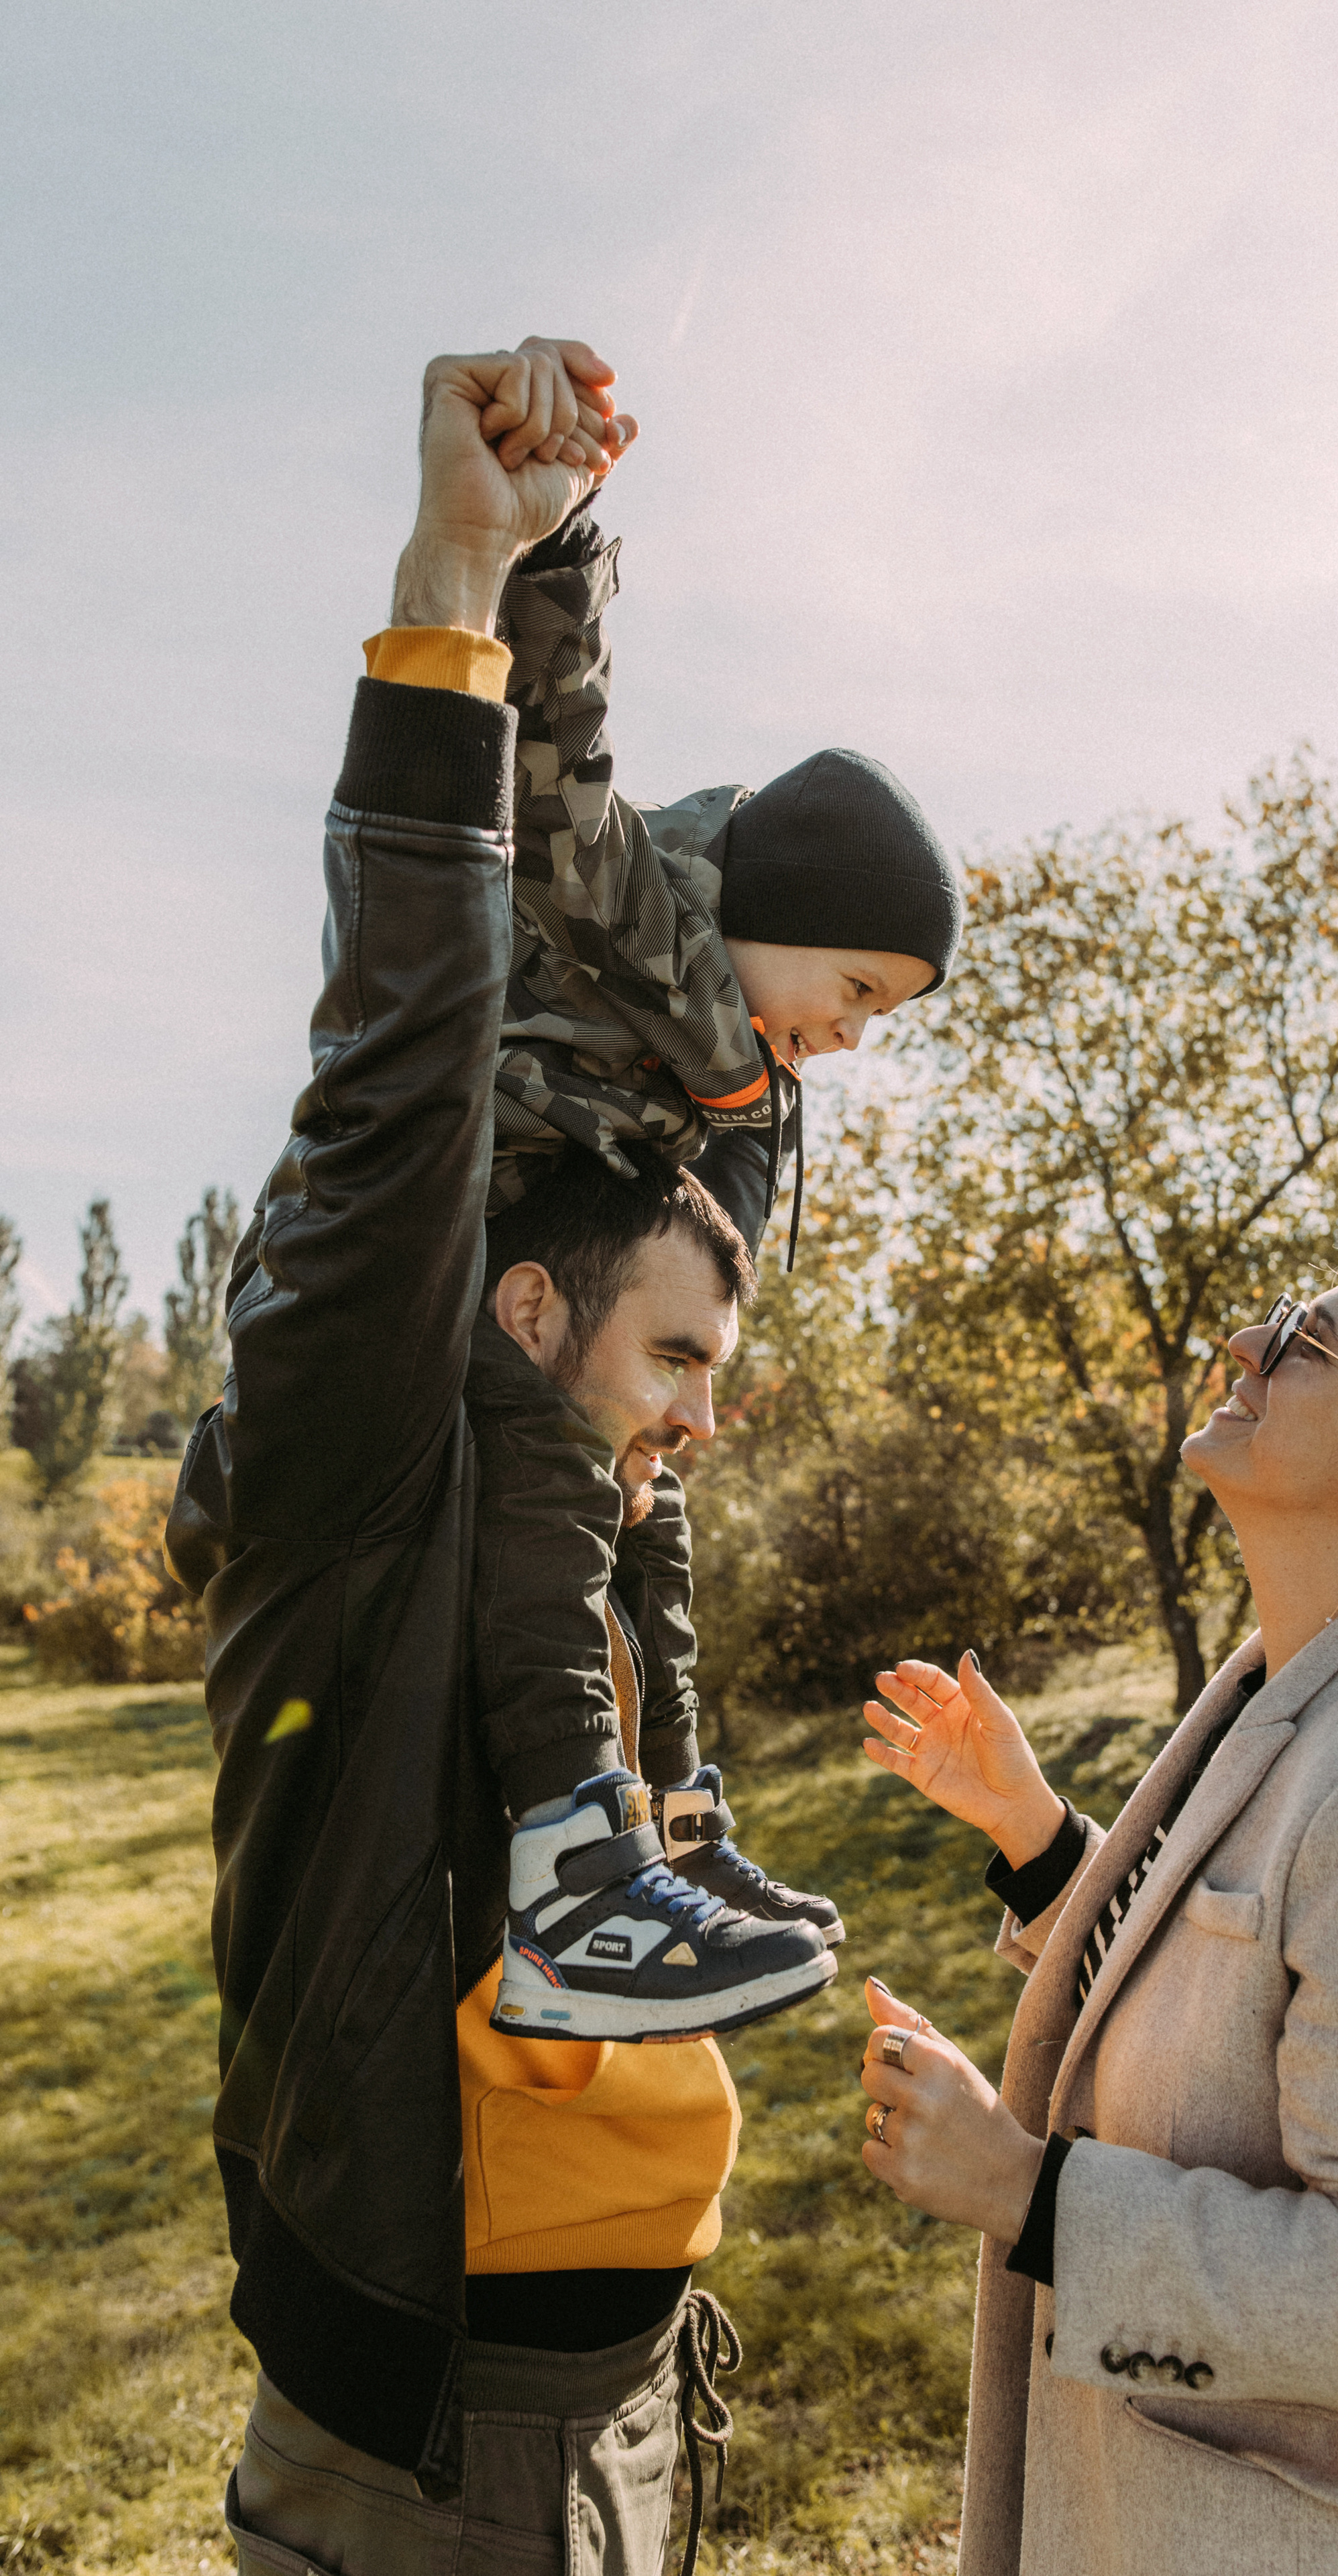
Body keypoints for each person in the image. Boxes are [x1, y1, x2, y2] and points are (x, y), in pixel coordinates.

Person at [166, 337, 788, 2574]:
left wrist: (573, 575)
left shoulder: (604, 1498)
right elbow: (403, 1051)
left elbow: (719, 1145)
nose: (710, 1413)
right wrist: (458, 575)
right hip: (435, 2457)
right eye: (681, 1357)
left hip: (622, 2410)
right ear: (522, 1313)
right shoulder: (370, 1475)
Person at [854, 1222, 1338, 2575]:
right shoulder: (1310, 1678)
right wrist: (1039, 1844)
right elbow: (1256, 1978)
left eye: (1301, 1340)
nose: (1240, 1345)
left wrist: (1024, 2192)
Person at [457, 339, 964, 2044]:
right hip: (461, 1277)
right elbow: (550, 750)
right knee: (552, 1475)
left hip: (565, 1293)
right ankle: (567, 1868)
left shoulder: (730, 1076)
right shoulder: (640, 922)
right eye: (863, 986)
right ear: (780, 898)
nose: (856, 1033)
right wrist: (560, 534)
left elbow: (713, 1254)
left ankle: (671, 1829)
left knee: (654, 1528)